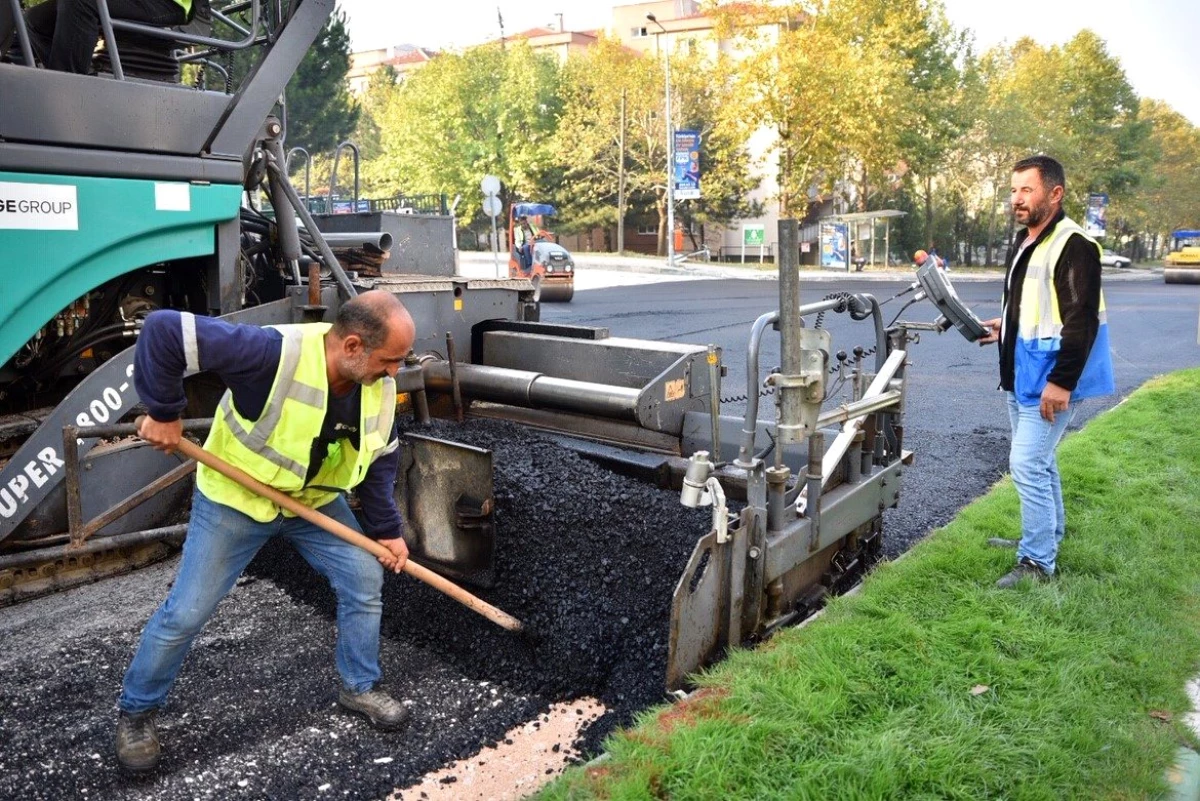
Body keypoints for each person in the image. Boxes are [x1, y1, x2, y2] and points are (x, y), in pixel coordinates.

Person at [114, 290, 416, 773]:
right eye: (390, 361)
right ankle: (136, 712)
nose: (395, 372)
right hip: (237, 500)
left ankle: (359, 687)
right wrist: (165, 411)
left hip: (312, 503)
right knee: (187, 612)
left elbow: (382, 457)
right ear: (353, 346)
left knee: (364, 579)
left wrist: (386, 530)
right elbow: (164, 330)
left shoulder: (376, 386)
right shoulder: (272, 354)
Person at [977, 155, 1114, 589]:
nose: (1017, 199)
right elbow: (1035, 308)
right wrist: (1005, 327)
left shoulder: (1074, 245)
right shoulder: (1026, 240)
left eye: (1027, 190)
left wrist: (1062, 383)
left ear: (1054, 193)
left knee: (1026, 464)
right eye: (1013, 190)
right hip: (1022, 372)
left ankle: (1037, 563)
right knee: (1040, 460)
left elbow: (1081, 321)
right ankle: (1046, 537)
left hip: (1050, 379)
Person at [20, 0, 190, 74]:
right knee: (33, 20)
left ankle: (66, 87)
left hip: (168, 4)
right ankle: (59, 75)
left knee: (80, 2)